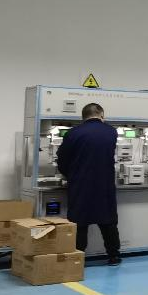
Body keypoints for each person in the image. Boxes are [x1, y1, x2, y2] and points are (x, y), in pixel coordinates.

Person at [56, 103, 121, 266]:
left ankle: (78, 258)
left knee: (80, 221)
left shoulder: (73, 133)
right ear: (101, 114)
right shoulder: (111, 132)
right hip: (104, 184)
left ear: (83, 116)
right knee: (108, 220)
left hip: (80, 184)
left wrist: (69, 174)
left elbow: (62, 159)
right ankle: (113, 255)